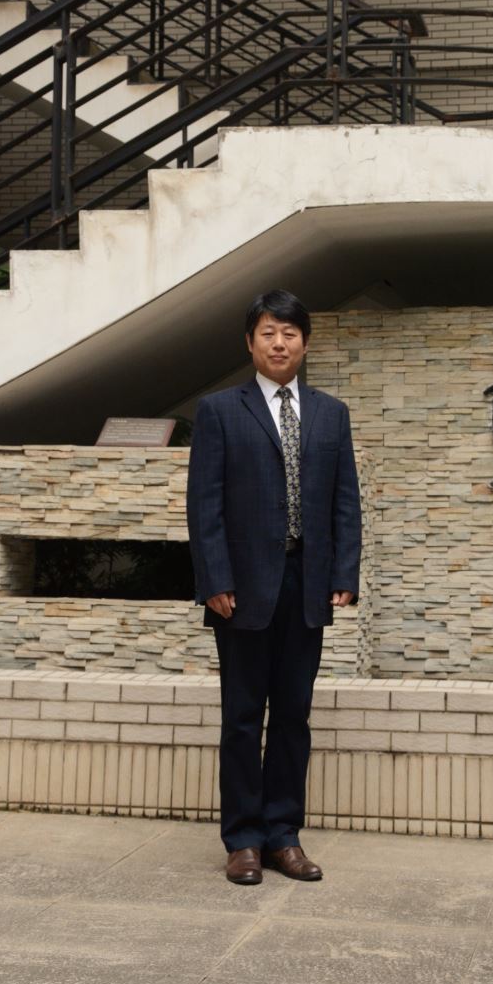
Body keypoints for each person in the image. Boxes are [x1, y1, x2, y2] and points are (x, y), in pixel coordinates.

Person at [186, 289, 361, 886]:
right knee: (241, 717)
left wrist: (343, 573)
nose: (279, 343)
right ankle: (243, 841)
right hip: (240, 591)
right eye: (268, 333)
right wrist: (215, 579)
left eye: (289, 333)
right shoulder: (219, 411)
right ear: (250, 342)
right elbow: (204, 505)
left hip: (305, 585)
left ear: (304, 342)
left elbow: (345, 500)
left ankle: (284, 836)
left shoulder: (331, 414)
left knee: (293, 716)